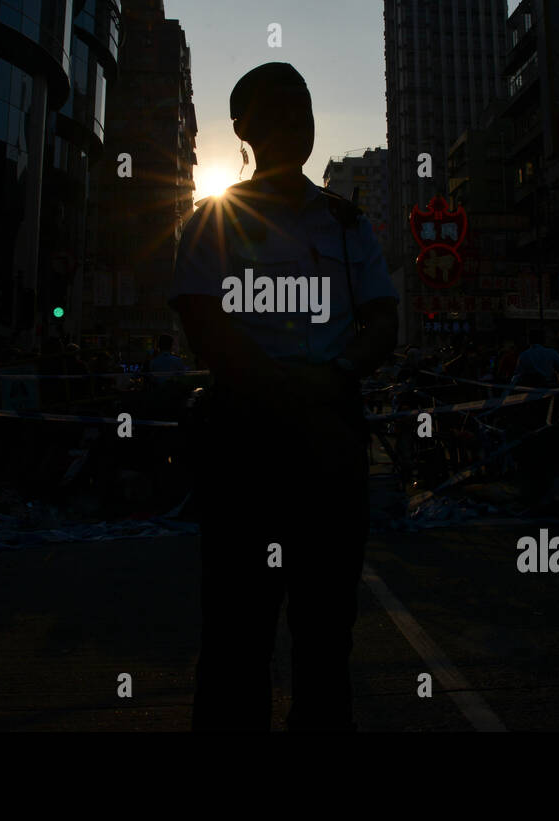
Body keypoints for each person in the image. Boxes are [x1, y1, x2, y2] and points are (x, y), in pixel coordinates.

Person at [169, 62, 399, 732]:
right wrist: (278, 387)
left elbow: (383, 319)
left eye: (303, 109)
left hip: (329, 446)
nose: (295, 123)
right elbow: (203, 323)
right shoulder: (212, 221)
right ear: (245, 129)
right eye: (278, 110)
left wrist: (338, 373)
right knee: (237, 640)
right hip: (248, 443)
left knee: (327, 637)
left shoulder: (348, 225)